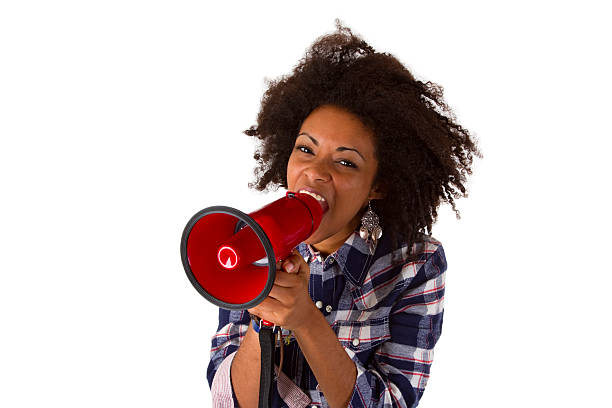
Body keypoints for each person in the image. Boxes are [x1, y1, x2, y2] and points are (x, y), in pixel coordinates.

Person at [206, 21, 481, 408]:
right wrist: (262, 317)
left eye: (346, 163)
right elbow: (231, 401)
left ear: (378, 186)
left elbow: (392, 403)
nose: (317, 172)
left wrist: (304, 319)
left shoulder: (416, 264)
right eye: (305, 149)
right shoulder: (249, 240)